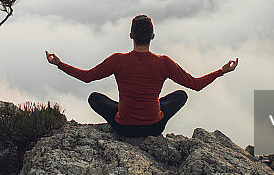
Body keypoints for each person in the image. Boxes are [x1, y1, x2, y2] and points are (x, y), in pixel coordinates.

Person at [45, 14, 238, 137]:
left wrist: (59, 64)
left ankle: (130, 113)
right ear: (153, 36)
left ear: (130, 35)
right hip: (154, 127)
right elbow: (195, 84)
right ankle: (151, 112)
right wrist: (222, 71)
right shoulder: (164, 63)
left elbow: (87, 77)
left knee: (95, 98)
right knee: (180, 95)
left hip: (124, 127)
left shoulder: (118, 60)